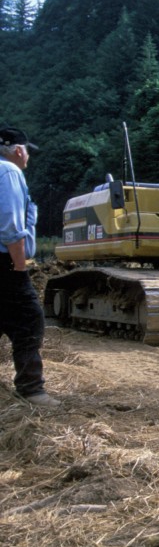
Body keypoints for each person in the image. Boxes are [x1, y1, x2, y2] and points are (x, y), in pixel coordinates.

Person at [0, 123, 59, 407]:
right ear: (19, 150)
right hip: (5, 264)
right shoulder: (9, 171)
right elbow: (11, 227)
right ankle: (31, 389)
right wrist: (20, 267)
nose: (28, 158)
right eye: (27, 152)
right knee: (29, 321)